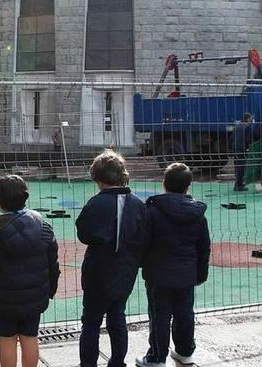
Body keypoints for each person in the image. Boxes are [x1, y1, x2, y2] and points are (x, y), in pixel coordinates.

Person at [0, 175, 60, 367]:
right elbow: (53, 262)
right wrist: (50, 289)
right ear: (25, 197)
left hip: (3, 298)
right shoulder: (43, 226)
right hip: (35, 295)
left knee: (7, 338)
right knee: (30, 336)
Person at [76, 150, 148, 367]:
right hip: (125, 271)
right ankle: (117, 362)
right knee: (117, 318)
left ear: (97, 178)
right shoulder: (137, 204)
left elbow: (83, 234)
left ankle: (88, 364)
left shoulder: (95, 203)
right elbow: (144, 236)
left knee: (90, 322)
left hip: (97, 272)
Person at [137, 163, 210, 367]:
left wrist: (142, 265)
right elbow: (204, 247)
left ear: (164, 184)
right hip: (187, 273)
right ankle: (185, 351)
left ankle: (157, 356)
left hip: (158, 273)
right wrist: (200, 273)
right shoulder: (197, 215)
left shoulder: (151, 211)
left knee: (159, 315)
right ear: (188, 186)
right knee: (184, 313)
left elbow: (143, 242)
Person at [230, 113, 255, 192]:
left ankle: (238, 183)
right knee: (241, 167)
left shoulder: (237, 126)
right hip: (242, 149)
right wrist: (248, 147)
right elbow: (248, 139)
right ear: (247, 119)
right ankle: (238, 185)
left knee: (237, 167)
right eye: (250, 119)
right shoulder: (247, 127)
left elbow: (231, 138)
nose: (251, 120)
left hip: (236, 148)